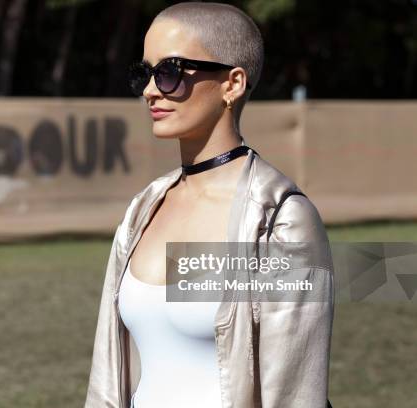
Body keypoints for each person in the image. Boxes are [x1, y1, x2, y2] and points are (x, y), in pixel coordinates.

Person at [85, 2, 334, 407]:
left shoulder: (280, 218)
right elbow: (107, 379)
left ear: (232, 84)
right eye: (144, 73)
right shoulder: (141, 211)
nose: (150, 90)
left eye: (169, 72)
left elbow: (295, 395)